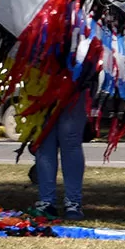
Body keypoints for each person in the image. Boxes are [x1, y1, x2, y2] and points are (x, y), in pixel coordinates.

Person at [34, 91, 88, 219]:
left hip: (75, 82)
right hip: (42, 82)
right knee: (45, 141)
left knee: (69, 140)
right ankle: (48, 202)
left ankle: (72, 202)